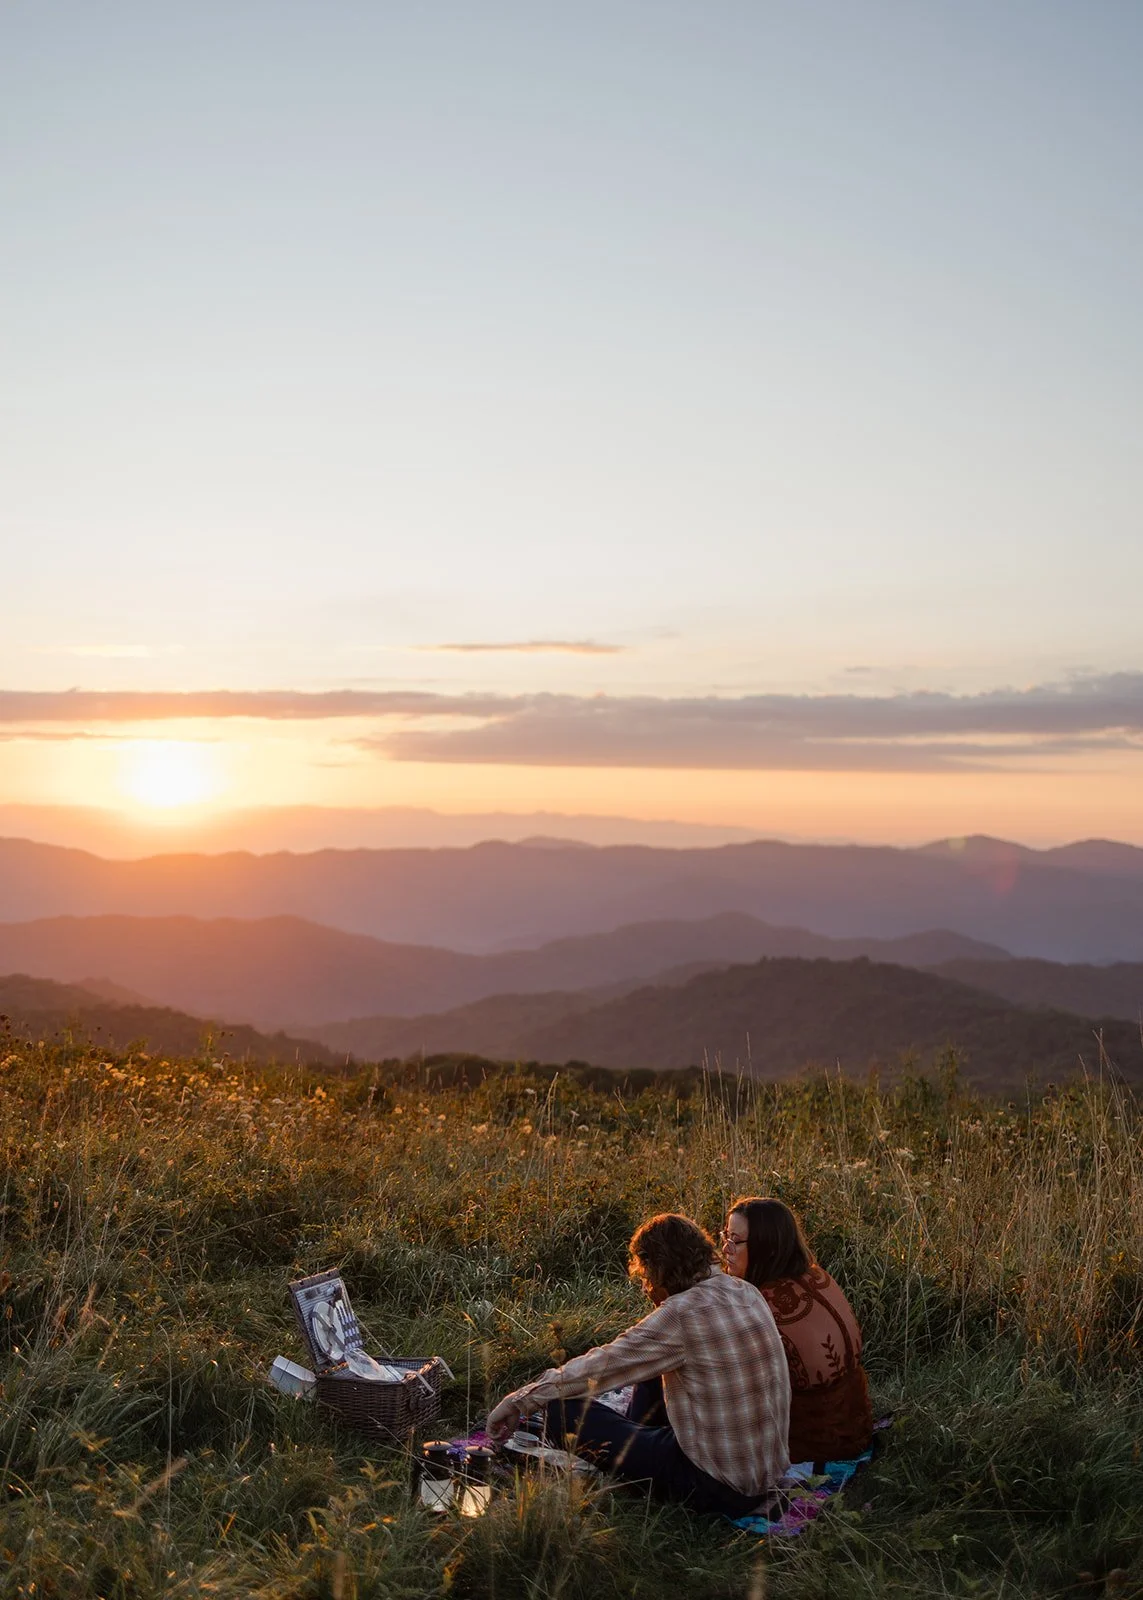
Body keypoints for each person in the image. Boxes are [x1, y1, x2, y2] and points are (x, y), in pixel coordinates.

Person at [486, 1212, 791, 1515]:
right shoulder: (746, 1291)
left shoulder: (679, 1315)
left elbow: (603, 1364)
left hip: (715, 1487)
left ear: (659, 1270)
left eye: (645, 1277)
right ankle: (636, 1441)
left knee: (559, 1410)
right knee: (650, 1367)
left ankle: (631, 1457)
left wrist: (521, 1400)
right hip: (767, 1474)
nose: (646, 1288)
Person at [722, 1197, 873, 1466]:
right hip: (858, 1427)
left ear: (766, 1247)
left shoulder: (761, 1304)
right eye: (725, 1235)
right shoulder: (816, 1275)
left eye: (736, 1240)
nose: (726, 1248)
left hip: (810, 1444)